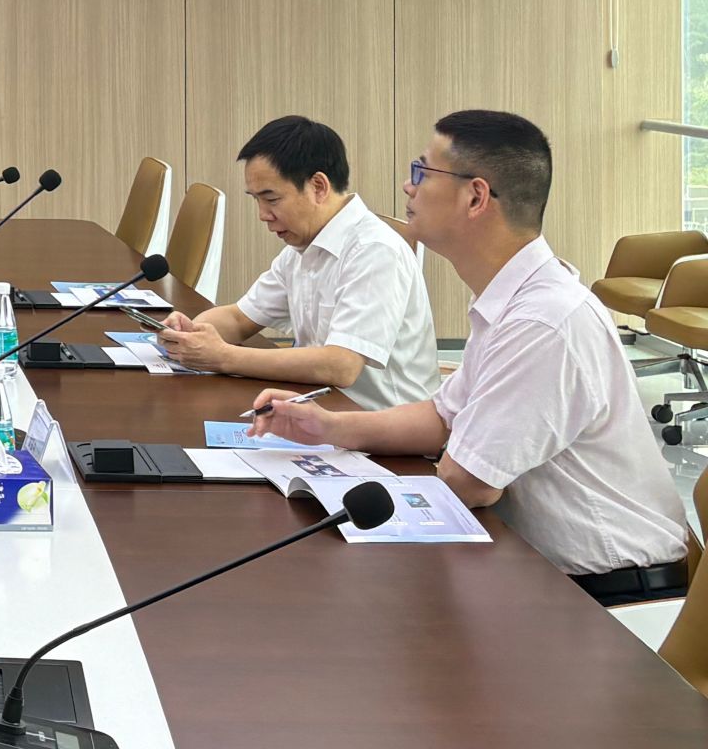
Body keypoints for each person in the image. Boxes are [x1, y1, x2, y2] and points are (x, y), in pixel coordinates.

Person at [253, 109, 692, 603]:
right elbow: (442, 417)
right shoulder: (511, 299)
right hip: (539, 570)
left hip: (608, 597)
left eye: (422, 172)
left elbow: (470, 482)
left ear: (476, 197)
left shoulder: (543, 320)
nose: (408, 186)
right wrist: (326, 427)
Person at [158, 115, 437, 411]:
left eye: (271, 199)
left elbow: (341, 365)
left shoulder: (375, 250)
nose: (263, 215)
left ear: (318, 186)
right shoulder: (303, 246)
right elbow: (240, 319)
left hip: (384, 426)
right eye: (256, 200)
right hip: (324, 411)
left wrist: (222, 357)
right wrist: (190, 333)